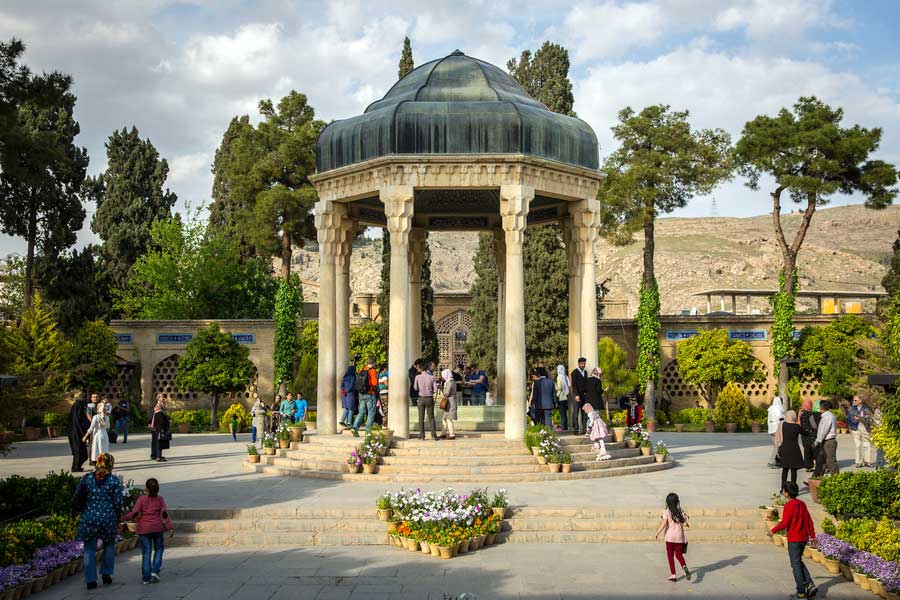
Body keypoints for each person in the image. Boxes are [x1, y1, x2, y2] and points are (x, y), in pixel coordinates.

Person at [74, 453, 122, 589]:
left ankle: (90, 579)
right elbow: (118, 502)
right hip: (108, 518)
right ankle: (106, 573)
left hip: (89, 517)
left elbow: (77, 495)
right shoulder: (114, 481)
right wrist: (118, 516)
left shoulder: (87, 478)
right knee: (109, 545)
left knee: (89, 549)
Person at [767, 482, 817, 599]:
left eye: (784, 491)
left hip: (794, 539)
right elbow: (809, 521)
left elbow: (784, 523)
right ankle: (809, 584)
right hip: (804, 538)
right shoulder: (802, 504)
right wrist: (813, 536)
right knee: (798, 561)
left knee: (795, 565)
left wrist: (773, 531)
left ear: (787, 493)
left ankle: (800, 592)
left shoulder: (789, 506)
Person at [122, 478, 174, 584]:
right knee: (159, 549)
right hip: (157, 528)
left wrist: (122, 518)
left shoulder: (141, 499)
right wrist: (170, 528)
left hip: (144, 529)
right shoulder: (160, 499)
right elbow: (164, 515)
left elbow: (135, 513)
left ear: (146, 488)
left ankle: (146, 577)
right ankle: (155, 571)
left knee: (146, 552)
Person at [654, 492, 691, 582]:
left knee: (670, 556)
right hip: (679, 537)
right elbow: (685, 523)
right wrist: (686, 523)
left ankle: (673, 575)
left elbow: (664, 523)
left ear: (667, 503)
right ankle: (684, 567)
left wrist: (657, 532)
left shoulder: (667, 512)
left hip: (670, 538)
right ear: (677, 502)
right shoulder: (680, 511)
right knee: (679, 554)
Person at [777, 410, 805, 492]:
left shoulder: (782, 424)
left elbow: (778, 437)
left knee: (785, 470)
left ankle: (783, 488)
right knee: (794, 470)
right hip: (794, 450)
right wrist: (799, 418)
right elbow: (805, 432)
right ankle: (793, 489)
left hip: (784, 449)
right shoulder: (796, 427)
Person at [351, 358, 379, 436]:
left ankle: (355, 428)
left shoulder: (362, 369)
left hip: (361, 394)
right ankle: (368, 432)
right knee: (371, 413)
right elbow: (374, 383)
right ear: (373, 363)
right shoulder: (372, 371)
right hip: (370, 394)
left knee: (361, 412)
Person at [413, 363, 439, 440]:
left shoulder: (417, 377)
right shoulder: (432, 377)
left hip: (421, 398)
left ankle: (422, 435)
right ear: (427, 369)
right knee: (431, 417)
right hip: (429, 398)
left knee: (421, 418)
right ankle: (434, 435)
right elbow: (435, 390)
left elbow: (415, 388)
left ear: (421, 369)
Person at [847, 395, 874, 468]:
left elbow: (869, 418)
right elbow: (849, 418)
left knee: (867, 444)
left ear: (860, 401)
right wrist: (855, 420)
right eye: (853, 400)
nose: (854, 401)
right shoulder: (851, 409)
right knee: (858, 445)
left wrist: (860, 418)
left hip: (865, 428)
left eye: (855, 400)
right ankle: (858, 462)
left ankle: (867, 461)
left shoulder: (866, 409)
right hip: (855, 428)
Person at [813, 400, 838, 476]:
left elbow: (823, 431)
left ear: (821, 407)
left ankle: (837, 479)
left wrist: (817, 441)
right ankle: (816, 478)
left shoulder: (827, 417)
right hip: (826, 441)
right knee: (822, 462)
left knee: (830, 462)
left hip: (828, 442)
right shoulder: (828, 415)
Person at [68, 394, 91, 472]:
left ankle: (77, 466)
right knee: (78, 452)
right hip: (76, 433)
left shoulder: (75, 413)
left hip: (75, 433)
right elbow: (83, 422)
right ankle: (75, 467)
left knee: (81, 452)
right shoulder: (79, 408)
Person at [798, 400, 819, 472]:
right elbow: (814, 425)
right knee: (815, 451)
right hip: (812, 436)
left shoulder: (801, 414)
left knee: (807, 452)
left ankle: (808, 467)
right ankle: (819, 465)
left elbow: (799, 424)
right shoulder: (811, 414)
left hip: (804, 436)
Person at [149, 395, 170, 463]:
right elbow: (161, 421)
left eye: (164, 398)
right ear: (158, 399)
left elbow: (150, 417)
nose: (164, 399)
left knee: (155, 441)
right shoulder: (159, 410)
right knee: (159, 442)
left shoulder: (156, 407)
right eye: (162, 398)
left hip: (154, 427)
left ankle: (154, 455)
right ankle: (158, 456)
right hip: (158, 428)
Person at [570, 358, 588, 434]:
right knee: (576, 413)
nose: (583, 365)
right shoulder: (574, 372)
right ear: (578, 364)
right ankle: (576, 430)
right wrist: (576, 395)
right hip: (577, 395)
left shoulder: (585, 372)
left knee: (585, 413)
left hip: (584, 395)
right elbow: (574, 385)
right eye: (582, 364)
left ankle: (584, 429)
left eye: (584, 364)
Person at [439, 368, 458, 440]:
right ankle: (443, 433)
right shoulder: (448, 381)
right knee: (444, 418)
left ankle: (452, 434)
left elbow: (446, 393)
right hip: (448, 402)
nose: (443, 376)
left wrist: (441, 388)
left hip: (450, 402)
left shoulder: (450, 382)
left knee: (449, 419)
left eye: (443, 375)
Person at [768, 396, 786, 469]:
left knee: (777, 446)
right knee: (777, 446)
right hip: (776, 430)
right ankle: (771, 462)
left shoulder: (771, 409)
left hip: (772, 430)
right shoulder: (777, 410)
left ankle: (777, 461)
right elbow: (779, 419)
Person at [554, 364, 570, 432]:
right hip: (565, 396)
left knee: (562, 412)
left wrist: (555, 386)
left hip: (560, 396)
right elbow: (569, 385)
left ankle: (563, 427)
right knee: (564, 412)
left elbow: (559, 387)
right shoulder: (565, 376)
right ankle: (565, 426)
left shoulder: (559, 377)